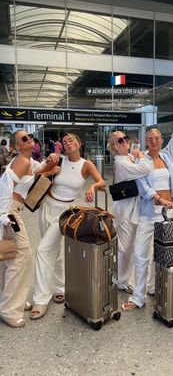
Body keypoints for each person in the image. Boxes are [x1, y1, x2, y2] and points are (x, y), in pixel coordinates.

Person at [121, 101, 173, 311]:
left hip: (167, 214)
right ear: (145, 141)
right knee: (141, 254)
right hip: (148, 213)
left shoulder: (167, 155)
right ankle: (138, 296)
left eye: (157, 138)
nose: (154, 140)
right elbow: (143, 187)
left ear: (161, 140)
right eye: (150, 138)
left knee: (162, 253)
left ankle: (154, 287)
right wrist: (160, 199)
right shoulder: (141, 160)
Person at [30, 132, 105, 320]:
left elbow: (101, 181)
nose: (68, 143)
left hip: (63, 213)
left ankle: (40, 298)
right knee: (53, 251)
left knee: (42, 250)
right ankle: (59, 287)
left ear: (79, 144)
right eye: (64, 142)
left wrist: (92, 187)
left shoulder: (86, 165)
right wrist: (49, 168)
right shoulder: (58, 160)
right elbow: (35, 176)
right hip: (46, 206)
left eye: (71, 140)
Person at [0, 130, 58, 328]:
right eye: (24, 138)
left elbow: (39, 170)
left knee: (8, 256)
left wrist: (50, 162)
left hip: (11, 212)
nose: (30, 139)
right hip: (10, 214)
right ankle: (9, 309)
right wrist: (4, 217)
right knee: (22, 256)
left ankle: (9, 301)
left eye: (31, 136)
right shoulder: (22, 161)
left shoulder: (27, 160)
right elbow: (4, 187)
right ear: (16, 146)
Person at [107, 131, 152, 294]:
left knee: (130, 247)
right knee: (124, 247)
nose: (125, 141)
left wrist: (136, 155)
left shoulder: (127, 158)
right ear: (114, 146)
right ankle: (116, 278)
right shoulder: (121, 162)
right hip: (125, 209)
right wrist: (140, 154)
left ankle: (123, 280)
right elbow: (146, 168)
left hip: (132, 207)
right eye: (120, 140)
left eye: (126, 138)